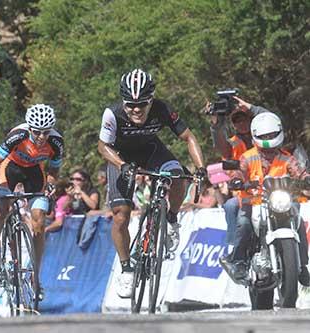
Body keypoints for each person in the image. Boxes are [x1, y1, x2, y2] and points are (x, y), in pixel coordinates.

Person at [98, 68, 206, 298]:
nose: (136, 110)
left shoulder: (163, 109)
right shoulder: (112, 114)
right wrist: (122, 165)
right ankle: (126, 268)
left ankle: (171, 219)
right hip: (120, 158)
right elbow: (102, 147)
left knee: (178, 177)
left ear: (152, 99)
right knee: (121, 215)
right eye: (130, 105)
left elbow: (188, 137)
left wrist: (201, 169)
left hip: (151, 151)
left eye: (142, 104)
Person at [219, 112, 310, 287]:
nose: (268, 140)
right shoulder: (248, 156)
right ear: (255, 136)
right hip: (253, 201)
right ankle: (237, 262)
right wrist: (237, 180)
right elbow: (239, 170)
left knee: (298, 223)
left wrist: (306, 178)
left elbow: (299, 171)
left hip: (282, 202)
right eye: (264, 136)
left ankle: (303, 265)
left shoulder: (287, 158)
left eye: (271, 135)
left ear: (279, 133)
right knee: (244, 224)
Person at [0, 104, 63, 285]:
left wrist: (51, 184)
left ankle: (36, 274)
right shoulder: (17, 136)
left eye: (46, 132)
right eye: (37, 132)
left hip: (34, 173)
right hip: (10, 169)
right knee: (0, 212)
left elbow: (54, 170)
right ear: (30, 128)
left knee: (39, 221)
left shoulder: (56, 142)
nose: (42, 137)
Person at [209, 97, 269, 248]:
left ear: (250, 120)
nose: (241, 124)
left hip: (270, 188)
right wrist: (216, 125)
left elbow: (271, 120)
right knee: (230, 206)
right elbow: (221, 146)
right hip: (245, 191)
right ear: (233, 124)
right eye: (236, 121)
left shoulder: (263, 136)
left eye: (244, 119)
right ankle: (234, 250)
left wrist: (251, 107)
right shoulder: (232, 143)